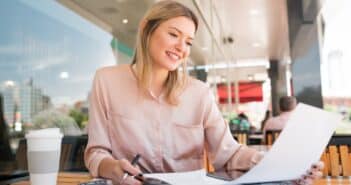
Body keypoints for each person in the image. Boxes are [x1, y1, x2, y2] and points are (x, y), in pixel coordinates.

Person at [84, 1, 322, 185]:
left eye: (188, 41)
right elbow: (96, 152)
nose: (182, 48)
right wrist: (112, 168)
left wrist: (283, 165)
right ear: (147, 28)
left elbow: (228, 155)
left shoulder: (198, 93)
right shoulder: (107, 80)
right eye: (174, 34)